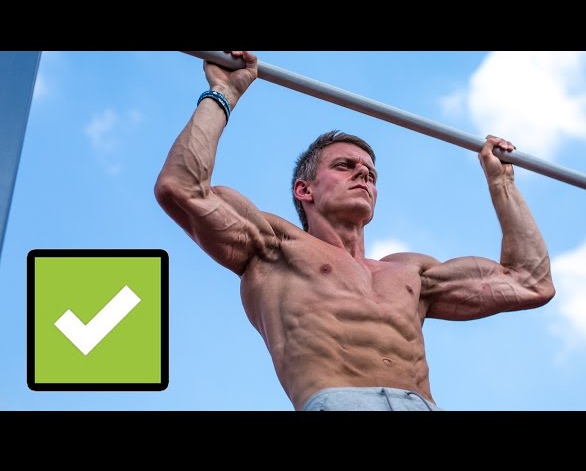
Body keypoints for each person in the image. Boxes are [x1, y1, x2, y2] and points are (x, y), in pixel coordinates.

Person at [155, 51, 556, 411]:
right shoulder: (275, 246)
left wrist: (502, 183)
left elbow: (530, 282)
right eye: (344, 166)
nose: (363, 174)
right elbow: (182, 189)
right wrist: (223, 93)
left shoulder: (411, 273)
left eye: (371, 173)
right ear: (304, 190)